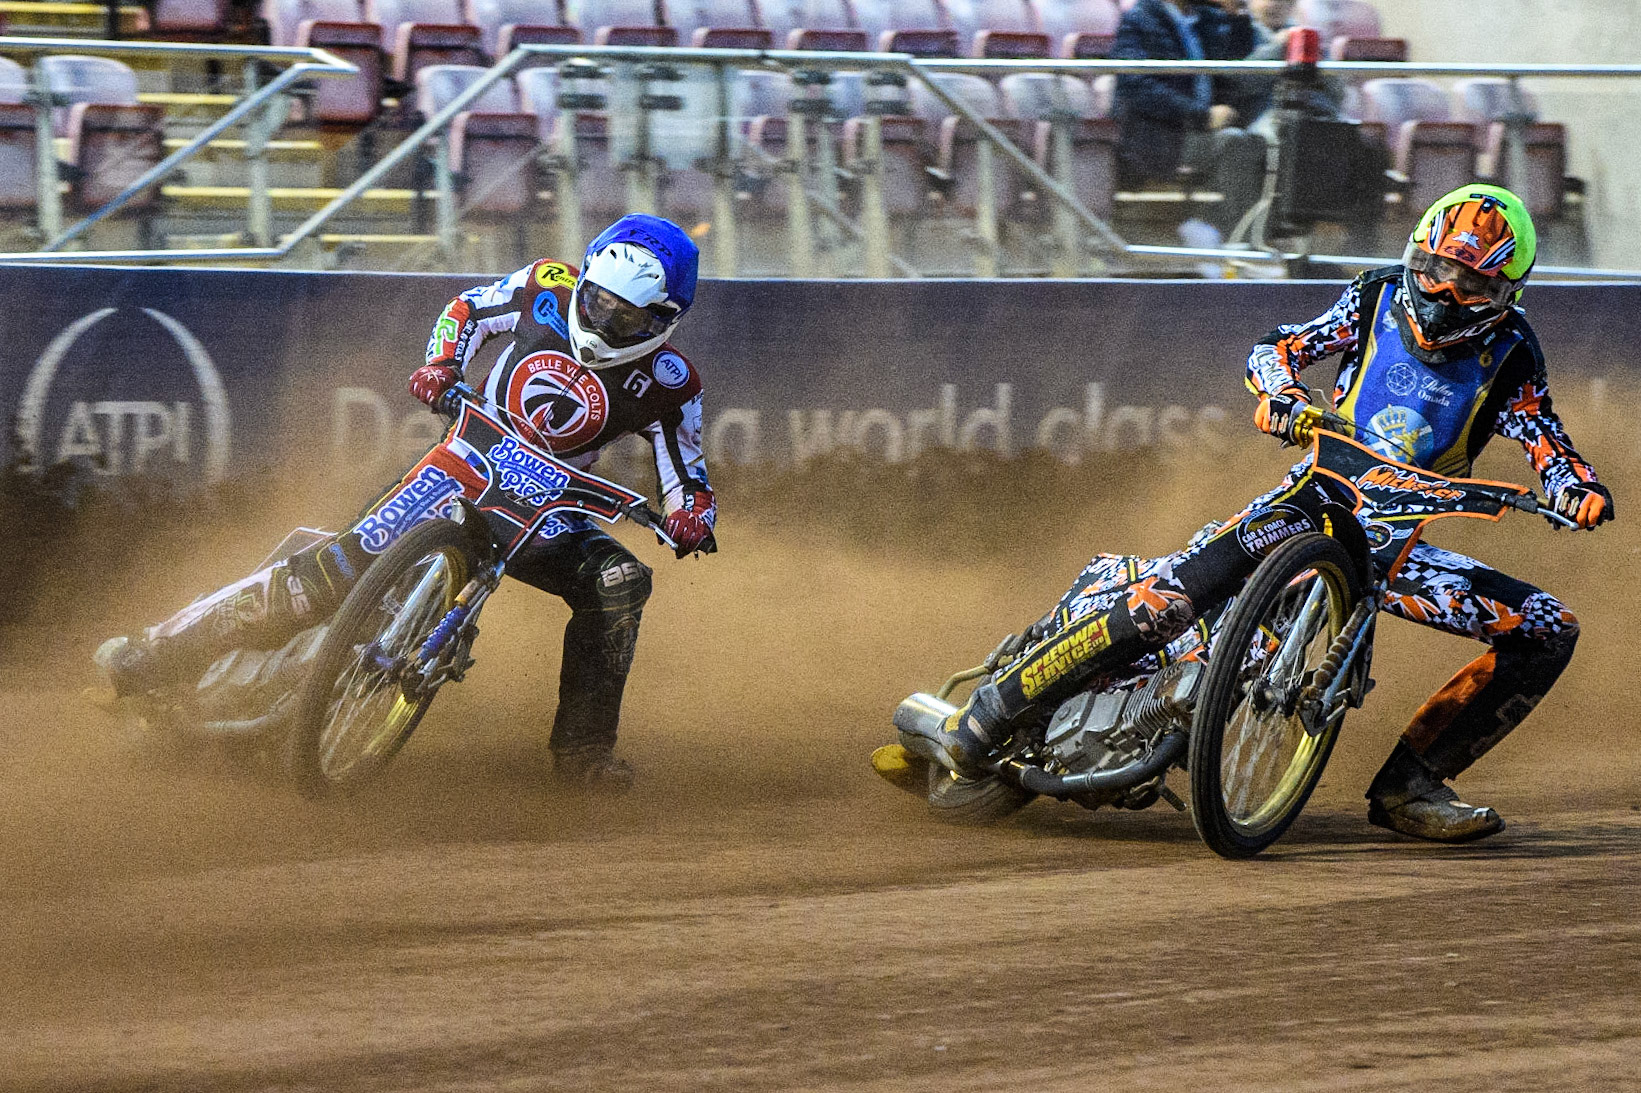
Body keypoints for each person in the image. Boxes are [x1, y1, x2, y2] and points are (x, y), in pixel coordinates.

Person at [919, 185, 1613, 843]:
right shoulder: (1373, 296)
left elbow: (1541, 436)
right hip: (1309, 499)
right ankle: (994, 709)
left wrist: (1573, 487)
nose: (1446, 293)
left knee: (1547, 628)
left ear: (1506, 293)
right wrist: (1279, 392)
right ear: (1414, 256)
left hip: (1396, 542)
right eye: (1435, 271)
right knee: (1169, 600)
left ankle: (1412, 785)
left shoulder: (1513, 352)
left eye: (1472, 285)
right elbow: (1277, 346)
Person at [95, 213, 717, 792]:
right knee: (327, 576)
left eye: (627, 317)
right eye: (599, 301)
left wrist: (692, 515)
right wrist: (441, 365)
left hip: (548, 514)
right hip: (457, 468)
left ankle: (584, 754)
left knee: (620, 580)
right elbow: (466, 309)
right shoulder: (544, 284)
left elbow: (688, 471)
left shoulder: (671, 383)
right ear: (583, 279)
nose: (605, 322)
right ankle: (159, 654)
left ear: (664, 320)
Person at [1113, 0, 1265, 233]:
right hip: (1161, 138)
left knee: (1263, 142)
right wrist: (1201, 116)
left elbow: (1233, 74)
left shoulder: (1205, 18)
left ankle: (1221, 236)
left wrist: (1238, 17)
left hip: (1199, 133)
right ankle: (1240, 247)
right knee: (1234, 144)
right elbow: (1135, 86)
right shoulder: (1140, 17)